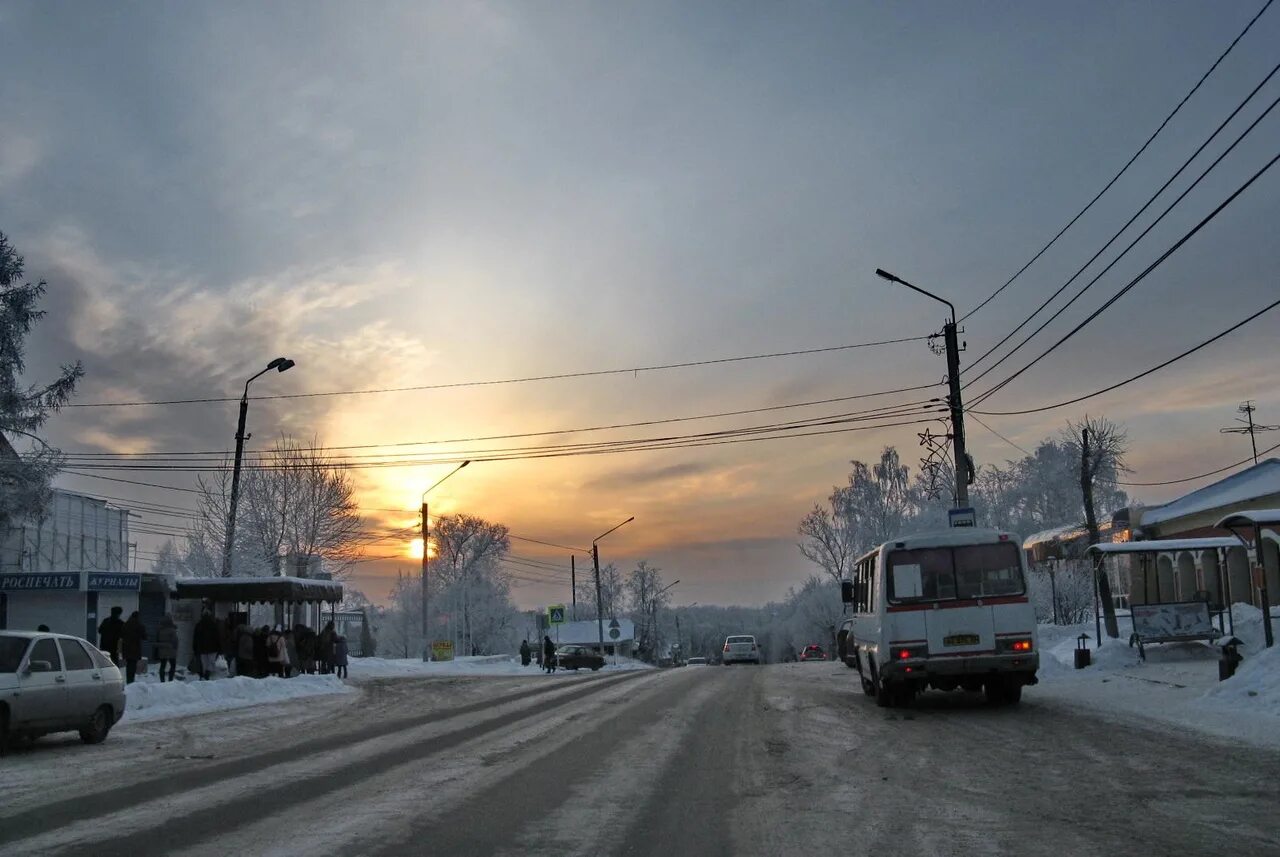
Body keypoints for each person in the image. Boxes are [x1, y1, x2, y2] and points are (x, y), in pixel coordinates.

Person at [193, 610, 221, 680]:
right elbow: (217, 637)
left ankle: (204, 677)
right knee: (211, 663)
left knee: (204, 663)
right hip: (213, 648)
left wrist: (195, 648)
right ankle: (207, 674)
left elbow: (195, 638)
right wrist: (219, 648)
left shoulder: (199, 625)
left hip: (202, 648)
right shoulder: (213, 625)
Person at [121, 611, 147, 684]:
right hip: (135, 648)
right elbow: (144, 637)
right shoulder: (140, 625)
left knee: (129, 664)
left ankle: (128, 680)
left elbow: (121, 635)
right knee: (133, 664)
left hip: (126, 647)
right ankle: (131, 681)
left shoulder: (125, 624)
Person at [154, 614, 178, 682]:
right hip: (171, 649)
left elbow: (157, 639)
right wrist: (175, 648)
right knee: (173, 665)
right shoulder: (172, 630)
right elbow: (175, 640)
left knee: (162, 665)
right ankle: (170, 680)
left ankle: (162, 680)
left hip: (162, 650)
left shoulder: (160, 630)